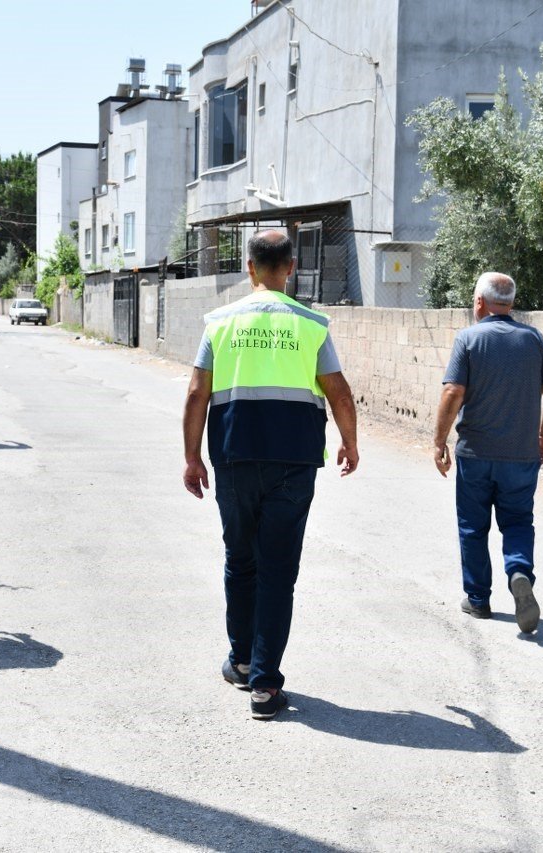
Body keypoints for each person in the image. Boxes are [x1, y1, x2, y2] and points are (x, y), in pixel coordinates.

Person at [182, 229, 359, 721]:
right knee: (278, 571)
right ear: (292, 267)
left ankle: (240, 661)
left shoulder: (219, 323)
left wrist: (192, 457)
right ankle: (264, 685)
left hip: (235, 456)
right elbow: (339, 393)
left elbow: (198, 394)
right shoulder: (311, 324)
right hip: (295, 460)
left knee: (241, 561)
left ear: (250, 267)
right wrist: (350, 440)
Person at [433, 272, 543, 634]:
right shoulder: (533, 339)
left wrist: (439, 441)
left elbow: (452, 392)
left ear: (479, 302)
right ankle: (519, 572)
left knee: (473, 527)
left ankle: (478, 599)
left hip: (475, 454)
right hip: (521, 456)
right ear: (510, 303)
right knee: (518, 522)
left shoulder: (469, 339)